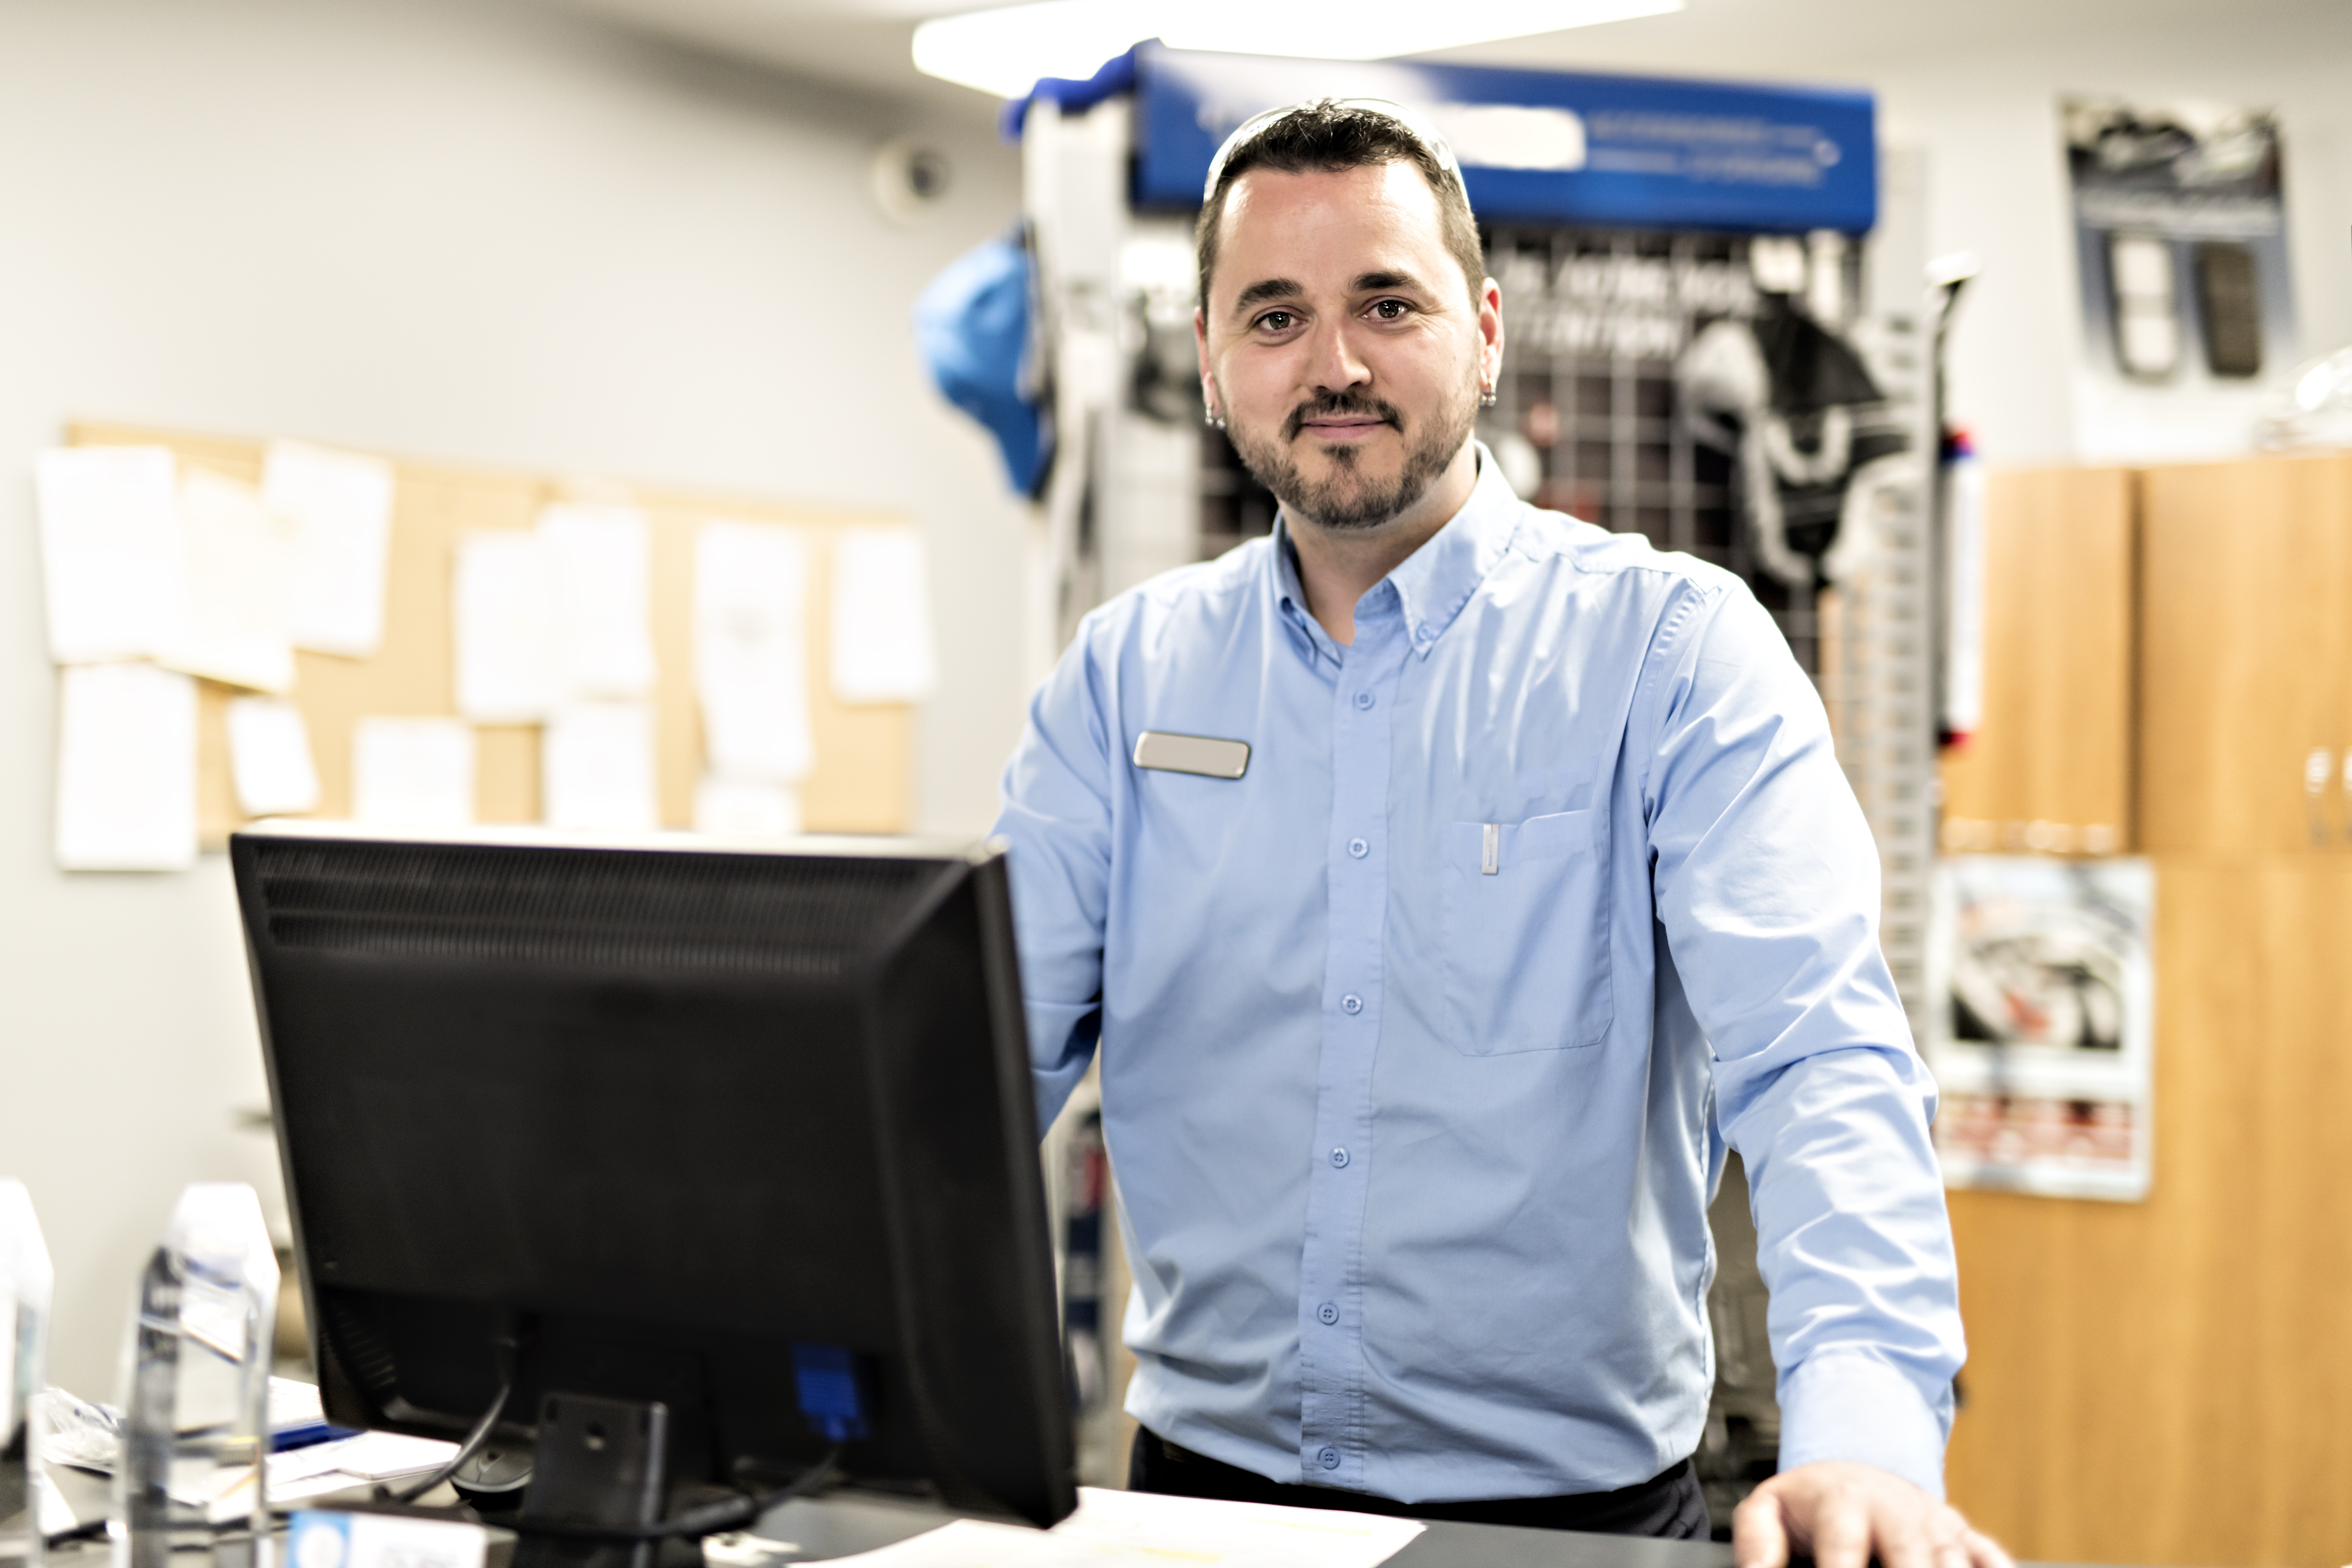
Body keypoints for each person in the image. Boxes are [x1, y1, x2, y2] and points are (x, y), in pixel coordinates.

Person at [992, 97, 2009, 1568]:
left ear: (1482, 330)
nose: (1331, 363)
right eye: (1272, 314)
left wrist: (1859, 1436)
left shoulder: (1672, 653)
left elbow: (1818, 1059)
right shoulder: (1121, 677)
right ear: (1211, 363)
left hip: (1566, 1527)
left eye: (1383, 303)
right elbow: (965, 1075)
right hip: (1189, 1506)